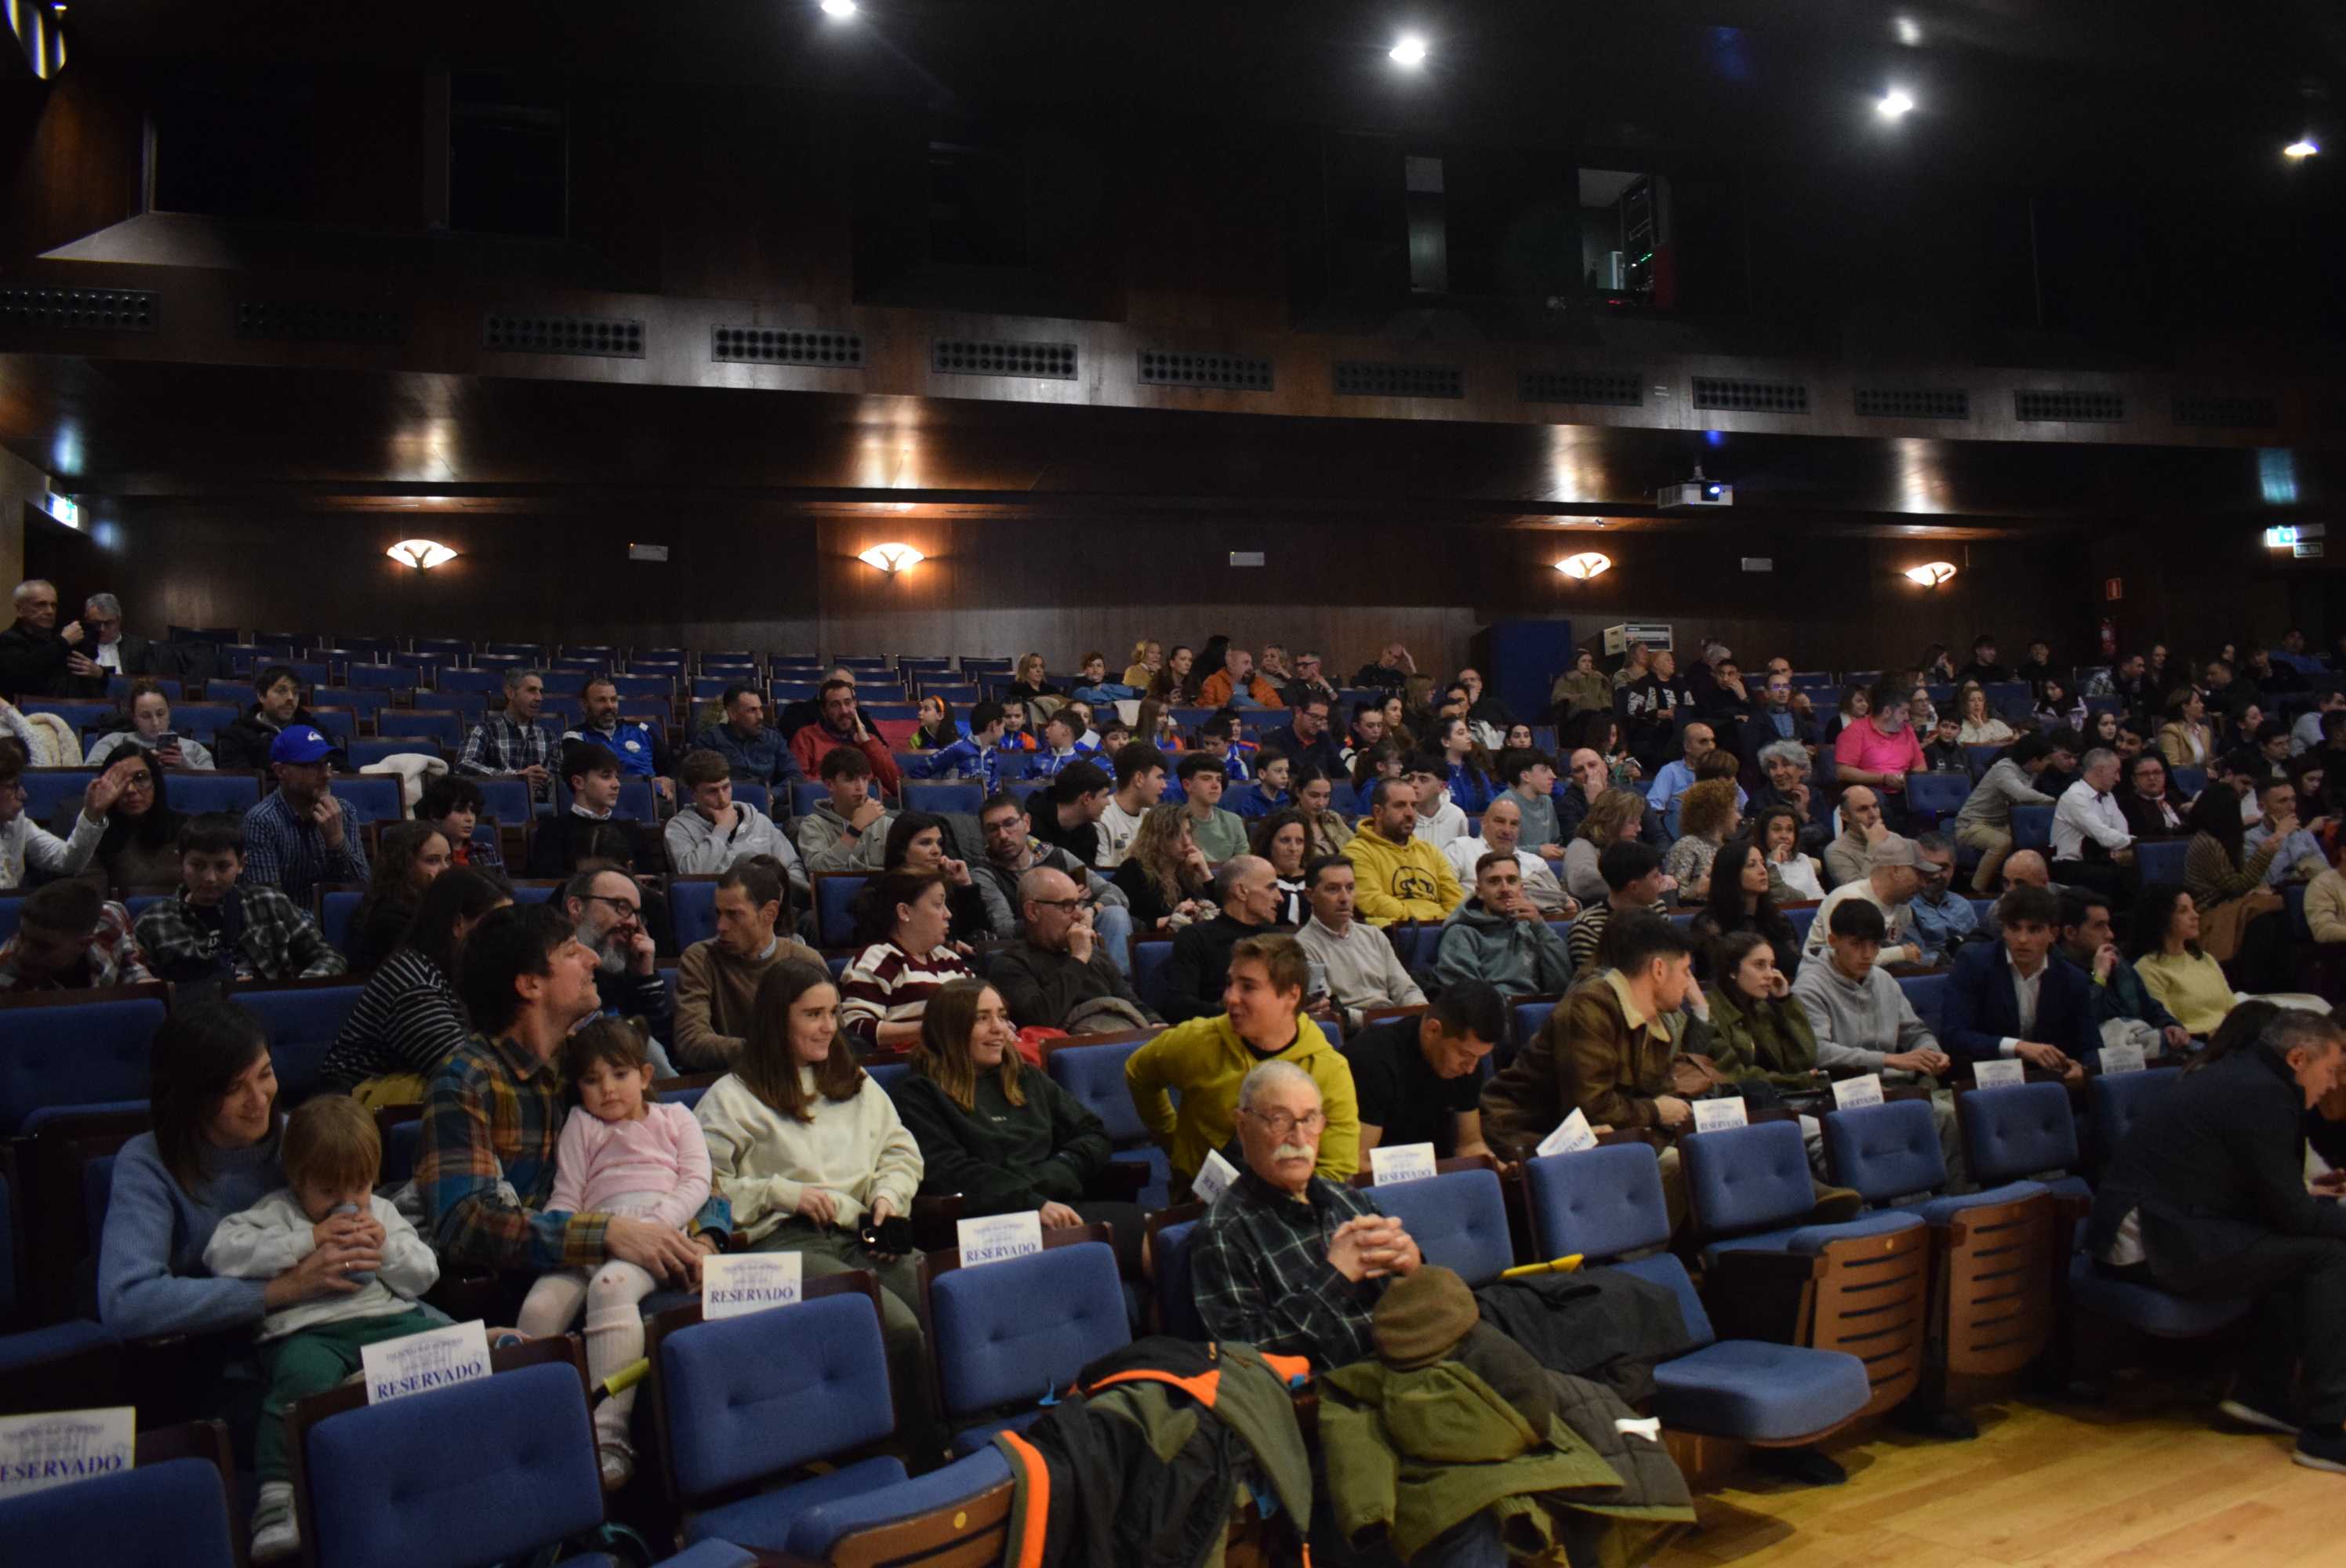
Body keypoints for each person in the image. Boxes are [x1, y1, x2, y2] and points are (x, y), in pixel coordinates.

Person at [2083, 1009, 2346, 1472]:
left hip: (2176, 1227)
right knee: (2330, 1256)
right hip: (2152, 1241)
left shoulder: (2250, 1079)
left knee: (2297, 1253)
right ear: (2299, 1059)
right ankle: (2324, 1433)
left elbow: (2276, 1202)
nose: (2332, 1084)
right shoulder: (2263, 1095)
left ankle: (2262, 1396)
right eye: (2331, 1070)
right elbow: (2291, 1212)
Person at [693, 960, 939, 1453]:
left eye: (833, 1013)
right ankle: (917, 1458)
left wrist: (889, 1197)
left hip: (860, 1230)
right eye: (813, 1015)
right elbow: (703, 1189)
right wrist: (782, 1193)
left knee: (941, 1300)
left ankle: (946, 1438)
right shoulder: (731, 1097)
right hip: (782, 1242)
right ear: (776, 1021)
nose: (829, 1027)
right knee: (894, 1325)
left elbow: (899, 1151)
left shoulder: (854, 1080)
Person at [422, 903, 721, 1308]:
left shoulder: (589, 1059)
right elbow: (464, 1224)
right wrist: (606, 1233)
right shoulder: (466, 1078)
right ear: (530, 985)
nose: (593, 958)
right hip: (528, 1284)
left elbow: (683, 1160)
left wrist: (704, 1241)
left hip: (642, 1244)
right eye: (570, 951)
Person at [205, 1094, 440, 1560]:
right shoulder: (277, 1213)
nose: (346, 1204)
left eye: (358, 1189)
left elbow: (425, 1275)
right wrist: (303, 1241)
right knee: (301, 1380)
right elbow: (222, 1253)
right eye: (329, 1193)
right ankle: (277, 1496)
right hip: (309, 1332)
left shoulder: (382, 1212)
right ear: (297, 1181)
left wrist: (387, 1247)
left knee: (439, 1353)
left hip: (385, 1319)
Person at [514, 1018, 709, 1489]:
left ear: (645, 1076)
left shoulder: (676, 1118)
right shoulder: (581, 1124)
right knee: (538, 1309)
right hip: (591, 1237)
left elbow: (697, 1181)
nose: (607, 1090)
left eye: (619, 1075)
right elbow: (566, 1195)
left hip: (655, 1238)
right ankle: (527, 1436)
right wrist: (572, 1243)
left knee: (612, 1286)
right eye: (591, 1080)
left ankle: (609, 1440)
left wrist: (655, 1227)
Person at [893, 978, 1143, 1269]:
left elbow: (1093, 1134)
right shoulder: (920, 1093)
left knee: (1167, 1238)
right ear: (949, 1029)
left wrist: (1056, 1171)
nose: (999, 1028)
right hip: (990, 1225)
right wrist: (1030, 1201)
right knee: (1139, 1246)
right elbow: (951, 1172)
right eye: (982, 1019)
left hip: (1058, 1206)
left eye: (1001, 1016)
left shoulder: (1025, 1077)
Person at [1189, 1058, 1418, 1369]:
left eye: (1309, 1119)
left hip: (1411, 1358)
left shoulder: (1350, 1201)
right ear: (1242, 1126)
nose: (1299, 1139)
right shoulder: (1223, 1232)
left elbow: (1415, 1306)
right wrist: (1336, 1276)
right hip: (1336, 1394)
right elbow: (1245, 1358)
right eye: (1279, 1120)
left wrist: (1413, 1266)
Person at [1482, 913, 1708, 1159]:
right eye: (1685, 971)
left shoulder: (1656, 1016)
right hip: (1528, 1135)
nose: (1688, 983)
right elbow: (1591, 1107)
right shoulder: (1588, 1007)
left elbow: (1664, 1098)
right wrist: (1655, 1111)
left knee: (1692, 1159)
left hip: (1606, 1139)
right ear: (1659, 969)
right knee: (1677, 1165)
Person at [320, 866, 508, 1104]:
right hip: (353, 1117)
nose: (507, 937)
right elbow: (465, 1069)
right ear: (458, 924)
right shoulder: (412, 979)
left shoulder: (469, 970)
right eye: (497, 925)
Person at [136, 811, 347, 982]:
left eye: (222, 866)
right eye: (198, 866)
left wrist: (295, 990)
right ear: (180, 863)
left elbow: (329, 957)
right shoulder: (153, 922)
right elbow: (143, 987)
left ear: (242, 864)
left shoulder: (270, 902)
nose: (210, 878)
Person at [1789, 899, 1957, 1100]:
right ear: (1833, 942)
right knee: (1944, 1115)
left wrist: (1931, 1054)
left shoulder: (1884, 979)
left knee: (1967, 1106)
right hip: (1849, 1090)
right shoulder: (1809, 986)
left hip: (1902, 1085)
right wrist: (1888, 1060)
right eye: (1856, 944)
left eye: (1875, 945)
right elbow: (1818, 1051)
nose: (1868, 955)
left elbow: (1915, 1032)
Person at [674, 856, 823, 1072]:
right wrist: (773, 1050)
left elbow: (833, 1035)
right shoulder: (700, 959)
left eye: (733, 914)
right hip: (731, 1085)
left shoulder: (806, 960)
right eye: (718, 913)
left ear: (769, 913)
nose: (721, 926)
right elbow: (690, 1042)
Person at [1938, 886, 2096, 1080]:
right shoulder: (1972, 965)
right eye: (2014, 928)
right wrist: (2017, 1047)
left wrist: (2083, 1069)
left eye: (2034, 929)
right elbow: (1954, 1035)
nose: (2022, 939)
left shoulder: (2072, 979)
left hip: (2049, 1081)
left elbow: (2091, 1047)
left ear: (2053, 934)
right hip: (1985, 1079)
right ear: (2003, 930)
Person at [988, 865, 1160, 1031]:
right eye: (1067, 906)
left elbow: (1132, 1002)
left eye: (1078, 904)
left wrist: (1155, 1023)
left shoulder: (1095, 955)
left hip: (1121, 1035)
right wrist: (1078, 958)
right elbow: (1040, 1019)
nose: (1080, 915)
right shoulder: (1010, 965)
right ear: (1033, 911)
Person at [1347, 981, 1504, 1161]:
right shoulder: (1371, 1062)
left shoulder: (1468, 1064)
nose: (1471, 1068)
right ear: (1433, 1029)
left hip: (1435, 1173)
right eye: (1464, 1054)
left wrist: (1496, 1168)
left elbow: (1470, 1145)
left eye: (1480, 1057)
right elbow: (1357, 1164)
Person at [838, 867, 978, 1054]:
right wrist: (933, 1030)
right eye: (938, 905)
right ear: (904, 912)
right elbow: (855, 1029)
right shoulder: (877, 959)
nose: (948, 914)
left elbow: (981, 1007)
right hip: (916, 1070)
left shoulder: (949, 959)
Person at [1294, 855, 1426, 1031]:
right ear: (1310, 895)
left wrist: (1420, 1014)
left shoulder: (1373, 935)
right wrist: (1382, 1020)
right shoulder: (1301, 947)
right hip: (1355, 1032)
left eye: (1350, 888)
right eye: (1333, 889)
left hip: (1394, 1024)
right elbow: (1324, 1009)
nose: (1344, 898)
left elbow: (1406, 989)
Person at [240, 724, 370, 904]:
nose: (326, 774)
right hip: (289, 928)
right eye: (313, 766)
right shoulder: (261, 821)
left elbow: (361, 889)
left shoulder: (344, 811)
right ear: (280, 771)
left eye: (328, 764)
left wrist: (337, 841)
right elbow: (268, 905)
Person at [561, 864, 677, 1062]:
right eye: (621, 907)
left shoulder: (624, 969)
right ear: (576, 907)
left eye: (635, 912)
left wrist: (645, 977)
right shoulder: (548, 971)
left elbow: (666, 1058)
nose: (632, 922)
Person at [2182, 783, 2292, 990]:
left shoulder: (2229, 837)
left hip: (2231, 903)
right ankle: (2256, 987)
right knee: (2263, 921)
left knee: (2277, 908)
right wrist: (2269, 846)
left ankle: (2284, 986)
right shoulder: (2206, 842)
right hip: (2209, 911)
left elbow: (2243, 880)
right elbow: (2236, 887)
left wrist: (2257, 888)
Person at [2058, 890, 2192, 1054]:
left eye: (2108, 925)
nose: (2110, 934)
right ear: (2070, 933)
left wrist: (2170, 1025)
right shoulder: (2057, 973)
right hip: (2100, 1058)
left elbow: (2150, 1007)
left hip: (2140, 1044)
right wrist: (2099, 976)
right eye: (2099, 926)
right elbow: (2084, 1025)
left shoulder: (2119, 965)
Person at [1162, 856, 1293, 1022]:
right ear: (1241, 892)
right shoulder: (1195, 937)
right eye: (1271, 888)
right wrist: (1241, 1014)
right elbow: (1179, 1006)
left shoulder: (1278, 938)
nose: (1280, 898)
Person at [1700, 931, 1828, 1095]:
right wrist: (1796, 1081)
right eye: (1760, 965)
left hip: (1783, 1097)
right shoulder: (1710, 1013)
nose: (1770, 975)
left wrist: (1785, 1001)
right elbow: (1736, 1077)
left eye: (1772, 966)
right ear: (1732, 970)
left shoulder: (1762, 1008)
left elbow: (1804, 1061)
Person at [1434, 851, 1575, 997]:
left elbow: (1562, 985)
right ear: (1479, 892)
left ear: (1521, 889)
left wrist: (1540, 927)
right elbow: (1468, 999)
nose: (1505, 889)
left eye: (1512, 880)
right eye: (1494, 881)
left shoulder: (1533, 928)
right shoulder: (1461, 933)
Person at [665, 746, 803, 893]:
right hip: (719, 906)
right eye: (712, 791)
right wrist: (722, 830)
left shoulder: (759, 821)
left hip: (773, 905)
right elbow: (691, 876)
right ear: (693, 793)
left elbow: (792, 865)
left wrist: (784, 897)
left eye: (726, 787)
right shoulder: (678, 828)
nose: (723, 799)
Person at [0, 741, 129, 889]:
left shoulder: (17, 823)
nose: (23, 794)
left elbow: (68, 861)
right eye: (13, 786)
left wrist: (92, 815)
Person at [1344, 776, 1465, 926]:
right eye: (1400, 805)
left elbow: (1456, 901)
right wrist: (1432, 919)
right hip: (1396, 937)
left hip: (1440, 931)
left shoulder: (1429, 851)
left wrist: (1439, 924)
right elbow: (1372, 902)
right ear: (1378, 812)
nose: (1410, 813)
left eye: (1413, 805)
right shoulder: (1357, 851)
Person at [1952, 734, 2064, 894]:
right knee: (2002, 843)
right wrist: (2054, 801)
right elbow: (2021, 795)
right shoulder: (2003, 769)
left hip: (2001, 825)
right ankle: (1975, 890)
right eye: (2046, 759)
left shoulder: (2031, 772)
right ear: (2033, 760)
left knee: (2034, 838)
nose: (2049, 763)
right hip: (1971, 825)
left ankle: (2030, 889)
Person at [525, 742, 653, 880]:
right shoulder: (552, 831)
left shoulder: (631, 830)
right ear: (579, 782)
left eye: (617, 777)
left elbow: (651, 881)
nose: (616, 784)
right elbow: (547, 882)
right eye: (606, 776)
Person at [2128, 882, 2242, 1037]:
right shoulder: (2147, 968)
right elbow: (2168, 1027)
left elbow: (2232, 1008)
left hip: (2228, 1039)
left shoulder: (2204, 958)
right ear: (2162, 919)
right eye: (2183, 911)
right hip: (2195, 1044)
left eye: (2193, 908)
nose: (2196, 915)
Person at [0, 876, 151, 990]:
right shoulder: (6, 971)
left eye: (42, 947)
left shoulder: (110, 920)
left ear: (84, 944)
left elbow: (129, 963)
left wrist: (145, 985)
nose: (23, 952)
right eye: (22, 936)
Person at [1801, 833, 1927, 968]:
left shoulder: (1903, 909)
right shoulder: (1846, 899)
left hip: (1868, 980)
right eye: (1918, 874)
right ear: (1896, 870)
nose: (1924, 884)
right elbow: (1843, 958)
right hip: (1821, 980)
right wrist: (1900, 953)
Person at [874, 808, 994, 944]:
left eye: (939, 843)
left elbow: (980, 937)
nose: (936, 851)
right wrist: (946, 947)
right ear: (902, 849)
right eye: (925, 843)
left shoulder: (945, 884)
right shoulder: (880, 889)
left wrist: (965, 885)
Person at [73, 747, 188, 889]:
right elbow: (92, 895)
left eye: (140, 778)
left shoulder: (185, 828)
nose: (130, 790)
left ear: (156, 782)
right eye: (120, 781)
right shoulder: (96, 832)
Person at [1688, 835, 1799, 981]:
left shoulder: (1778, 919)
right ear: (1731, 874)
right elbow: (1720, 975)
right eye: (1752, 865)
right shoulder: (1709, 924)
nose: (1763, 871)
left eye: (1762, 863)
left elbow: (1796, 966)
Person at [346, 820, 450, 971]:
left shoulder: (434, 902)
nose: (445, 869)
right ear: (404, 865)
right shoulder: (389, 915)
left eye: (447, 860)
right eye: (432, 861)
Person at [1443, 793, 1572, 916]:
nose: (1507, 830)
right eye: (1500, 821)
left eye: (1514, 824)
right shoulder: (1460, 848)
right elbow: (1445, 897)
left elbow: (1562, 901)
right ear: (1483, 823)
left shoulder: (1536, 863)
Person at [1565, 840, 1672, 978]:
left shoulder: (1657, 908)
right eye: (1656, 876)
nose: (1662, 880)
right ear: (1634, 888)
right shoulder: (1587, 926)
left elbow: (1672, 964)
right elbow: (1596, 984)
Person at [565, 676, 675, 803]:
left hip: (654, 800)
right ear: (584, 705)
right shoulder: (575, 736)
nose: (609, 706)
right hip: (607, 803)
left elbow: (671, 765)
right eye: (601, 700)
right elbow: (585, 780)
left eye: (614, 700)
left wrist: (667, 779)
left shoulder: (641, 730)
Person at [454, 669, 557, 802]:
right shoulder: (484, 731)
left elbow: (557, 779)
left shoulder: (549, 736)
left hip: (539, 808)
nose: (539, 698)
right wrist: (514, 777)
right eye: (532, 690)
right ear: (511, 693)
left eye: (541, 691)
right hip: (496, 804)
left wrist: (545, 779)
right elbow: (463, 765)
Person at [790, 677, 903, 793]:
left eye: (848, 702)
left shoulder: (869, 741)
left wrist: (867, 743)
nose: (844, 711)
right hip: (829, 805)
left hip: (873, 804)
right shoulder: (806, 737)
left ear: (855, 704)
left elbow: (896, 786)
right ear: (824, 710)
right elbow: (800, 786)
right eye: (835, 705)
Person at [2050, 746, 2137, 898]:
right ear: (2100, 770)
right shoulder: (2074, 797)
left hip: (2098, 860)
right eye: (2116, 772)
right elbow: (2102, 835)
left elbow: (2122, 830)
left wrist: (2127, 848)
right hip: (2069, 865)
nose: (2118, 779)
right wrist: (2138, 845)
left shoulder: (2108, 796)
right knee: (2117, 878)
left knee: (2136, 871)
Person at [1833, 683, 1927, 822]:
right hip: (1873, 792)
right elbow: (1843, 771)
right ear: (1887, 712)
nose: (1907, 717)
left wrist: (1908, 780)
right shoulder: (1855, 731)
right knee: (1877, 802)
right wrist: (1882, 779)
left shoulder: (1907, 730)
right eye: (1903, 712)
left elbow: (1921, 766)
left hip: (1905, 790)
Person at [1111, 803, 1215, 927]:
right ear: (1157, 838)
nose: (1187, 842)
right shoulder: (1133, 869)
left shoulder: (1190, 871)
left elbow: (1222, 917)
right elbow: (1120, 921)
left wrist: (1206, 874)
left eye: (1188, 833)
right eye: (1176, 835)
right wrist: (1168, 920)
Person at [797, 745, 894, 874]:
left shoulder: (887, 823)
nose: (860, 787)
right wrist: (855, 829)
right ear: (830, 784)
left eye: (864, 779)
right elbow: (818, 872)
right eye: (850, 780)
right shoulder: (813, 824)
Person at [85, 678, 217, 770]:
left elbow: (213, 787)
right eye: (146, 716)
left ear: (169, 713)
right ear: (134, 718)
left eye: (160, 714)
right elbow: (90, 776)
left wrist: (185, 765)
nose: (155, 723)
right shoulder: (113, 742)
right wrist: (138, 764)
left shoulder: (194, 748)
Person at [691, 684, 802, 787]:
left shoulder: (774, 738)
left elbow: (795, 776)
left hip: (769, 804)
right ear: (732, 714)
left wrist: (773, 795)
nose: (760, 717)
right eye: (752, 710)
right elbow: (702, 782)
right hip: (728, 803)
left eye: (760, 709)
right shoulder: (710, 740)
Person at [1646, 720, 1740, 840]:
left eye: (1712, 740)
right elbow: (1653, 809)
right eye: (1703, 741)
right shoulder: (1670, 771)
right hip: (1682, 836)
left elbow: (1743, 807)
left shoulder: (1723, 773)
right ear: (1687, 747)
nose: (1711, 746)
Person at [0, 577, 88, 699]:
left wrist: (99, 673)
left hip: (68, 710)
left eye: (54, 605)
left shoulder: (60, 637)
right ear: (20, 610)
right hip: (26, 714)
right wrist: (63, 643)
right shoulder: (8, 640)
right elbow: (22, 674)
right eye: (41, 604)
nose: (50, 611)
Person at [1740, 670, 1824, 793]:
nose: (1782, 690)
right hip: (1770, 777)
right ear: (1767, 693)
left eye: (1786, 686)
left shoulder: (1796, 715)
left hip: (1797, 774)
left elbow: (1809, 740)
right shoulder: (1757, 718)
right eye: (1776, 687)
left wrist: (1809, 749)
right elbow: (1751, 752)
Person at [1661, 778, 1741, 903]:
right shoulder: (1688, 845)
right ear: (1719, 813)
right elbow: (1672, 894)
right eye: (1735, 810)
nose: (1739, 817)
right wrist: (1698, 890)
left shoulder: (1729, 847)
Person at [1905, 833, 1977, 964]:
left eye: (1943, 868)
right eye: (1928, 867)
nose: (1935, 875)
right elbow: (1914, 959)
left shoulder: (1963, 905)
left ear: (1953, 870)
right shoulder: (1905, 908)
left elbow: (1980, 946)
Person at [1030, 758, 1115, 867]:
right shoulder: (1028, 826)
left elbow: (1082, 879)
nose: (1108, 802)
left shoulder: (1089, 835)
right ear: (1087, 798)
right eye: (1104, 796)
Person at [1749, 739, 1828, 857]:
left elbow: (1827, 835)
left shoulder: (1815, 795)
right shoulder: (1759, 801)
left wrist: (1803, 813)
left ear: (1801, 769)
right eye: (1773, 767)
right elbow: (1767, 841)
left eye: (1786, 765)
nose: (1779, 772)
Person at [1620, 648, 1695, 771]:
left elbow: (1691, 705)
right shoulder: (1644, 683)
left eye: (1672, 660)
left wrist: (1678, 713)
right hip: (1655, 725)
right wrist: (1659, 713)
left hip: (1681, 722)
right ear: (1655, 664)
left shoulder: (1680, 684)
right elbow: (1633, 709)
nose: (1673, 663)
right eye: (1667, 660)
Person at [67, 591, 155, 692]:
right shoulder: (77, 646)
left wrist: (101, 674)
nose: (102, 629)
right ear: (87, 620)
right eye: (96, 623)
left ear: (119, 620)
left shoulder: (139, 646)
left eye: (108, 623)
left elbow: (155, 685)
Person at [1173, 751, 1248, 863]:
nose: (1216, 785)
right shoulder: (1174, 822)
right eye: (1206, 778)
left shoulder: (1234, 821)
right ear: (1187, 785)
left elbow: (1244, 865)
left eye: (1218, 779)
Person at [1250, 806, 1314, 925]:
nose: (1293, 848)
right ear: (1269, 843)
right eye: (1285, 841)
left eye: (1299, 841)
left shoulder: (1316, 880)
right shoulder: (1256, 882)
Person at [1755, 801, 1828, 902]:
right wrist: (1773, 863)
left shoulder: (1802, 858)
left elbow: (1818, 895)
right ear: (1764, 833)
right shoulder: (1757, 862)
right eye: (1777, 829)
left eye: (1789, 830)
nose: (1784, 836)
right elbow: (1777, 897)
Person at [1825, 783, 1889, 888]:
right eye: (1863, 809)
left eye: (1875, 806)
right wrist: (1874, 847)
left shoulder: (1895, 839)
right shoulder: (1836, 851)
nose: (1873, 815)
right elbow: (1859, 893)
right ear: (1845, 816)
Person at [1291, 764, 1355, 859]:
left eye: (1326, 796)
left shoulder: (1333, 818)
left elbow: (1356, 845)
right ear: (1298, 792)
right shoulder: (1288, 824)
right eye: (1314, 796)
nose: (1321, 803)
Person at [2120, 751, 2190, 839]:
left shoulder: (2179, 797)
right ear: (2134, 780)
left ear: (2164, 775)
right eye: (2145, 774)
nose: (2152, 778)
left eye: (2157, 772)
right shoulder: (2127, 805)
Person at [1406, 756, 1470, 848]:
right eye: (1411, 778)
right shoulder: (1403, 814)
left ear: (1441, 786)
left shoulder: (1457, 816)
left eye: (1423, 780)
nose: (1414, 784)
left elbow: (1462, 853)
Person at [2158, 688, 2215, 770]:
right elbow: (2173, 766)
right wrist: (2201, 772)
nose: (2202, 705)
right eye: (2197, 702)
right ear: (2185, 707)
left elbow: (2209, 763)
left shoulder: (2204, 730)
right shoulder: (2171, 730)